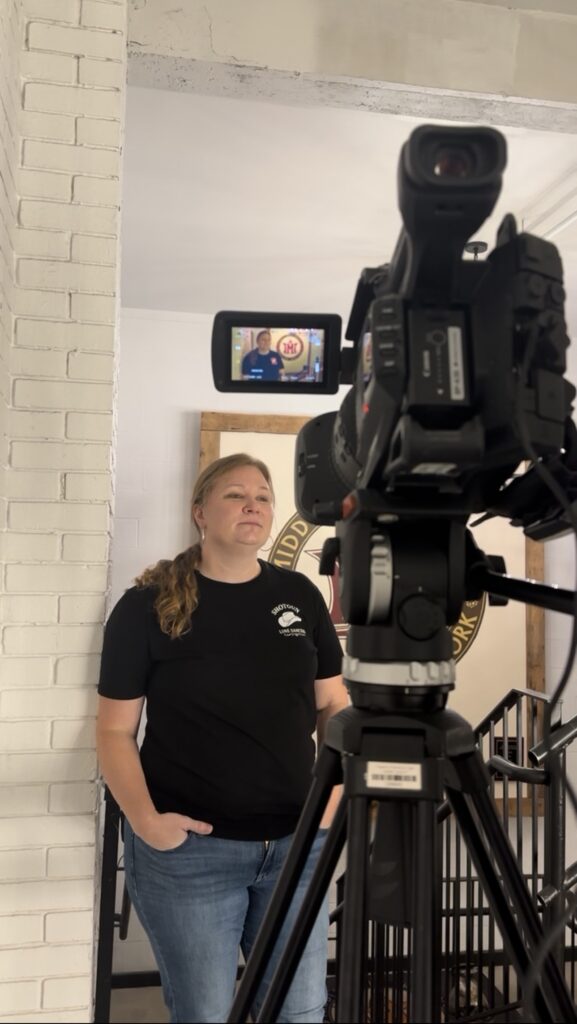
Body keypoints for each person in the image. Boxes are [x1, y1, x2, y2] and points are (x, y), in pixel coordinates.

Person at [96, 452, 348, 1024]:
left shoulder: (300, 596)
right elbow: (114, 730)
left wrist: (334, 794)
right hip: (192, 856)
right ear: (200, 512)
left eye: (262, 497)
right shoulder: (146, 606)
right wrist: (146, 821)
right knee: (206, 1014)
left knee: (301, 1011)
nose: (252, 505)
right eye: (235, 494)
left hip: (297, 847)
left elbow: (333, 702)